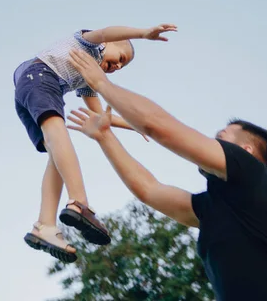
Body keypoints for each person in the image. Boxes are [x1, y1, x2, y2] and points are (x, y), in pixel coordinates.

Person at [66, 49, 267, 300]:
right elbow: (148, 189)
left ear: (246, 150)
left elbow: (158, 125)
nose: (209, 142)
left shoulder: (254, 173)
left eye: (220, 137)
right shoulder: (212, 208)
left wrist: (101, 83)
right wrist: (105, 136)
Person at [13, 24, 177, 263]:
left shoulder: (87, 81)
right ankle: (79, 203)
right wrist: (142, 34)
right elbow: (105, 33)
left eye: (122, 66)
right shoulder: (90, 44)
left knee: (55, 153)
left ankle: (45, 226)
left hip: (25, 90)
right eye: (120, 58)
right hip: (39, 76)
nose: (118, 66)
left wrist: (135, 125)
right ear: (109, 45)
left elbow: (101, 119)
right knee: (60, 135)